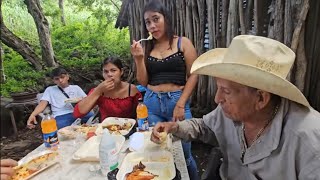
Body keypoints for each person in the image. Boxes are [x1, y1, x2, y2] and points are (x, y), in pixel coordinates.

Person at [151, 35, 320, 179]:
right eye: (219, 88)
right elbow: (206, 127)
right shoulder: (231, 111)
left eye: (226, 91)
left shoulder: (309, 141)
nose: (218, 99)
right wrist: (174, 127)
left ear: (261, 98)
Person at [130, 0, 199, 179]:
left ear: (166, 19)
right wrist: (138, 59)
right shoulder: (146, 47)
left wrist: (181, 103)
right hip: (152, 104)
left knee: (184, 155)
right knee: (157, 153)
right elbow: (143, 82)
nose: (152, 25)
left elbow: (194, 75)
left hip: (177, 101)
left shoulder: (182, 43)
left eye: (156, 19)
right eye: (148, 22)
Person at [73, 57, 142, 121]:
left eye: (113, 70)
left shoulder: (131, 89)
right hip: (106, 130)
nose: (109, 74)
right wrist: (98, 91)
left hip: (129, 128)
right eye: (106, 72)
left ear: (121, 72)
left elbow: (141, 112)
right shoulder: (99, 90)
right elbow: (78, 113)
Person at [27, 67, 94, 129]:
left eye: (62, 77)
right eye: (57, 79)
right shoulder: (50, 90)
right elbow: (42, 104)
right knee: (61, 125)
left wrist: (81, 100)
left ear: (67, 77)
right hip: (61, 115)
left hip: (77, 112)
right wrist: (33, 115)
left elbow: (86, 100)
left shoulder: (76, 88)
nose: (60, 80)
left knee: (92, 116)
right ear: (54, 81)